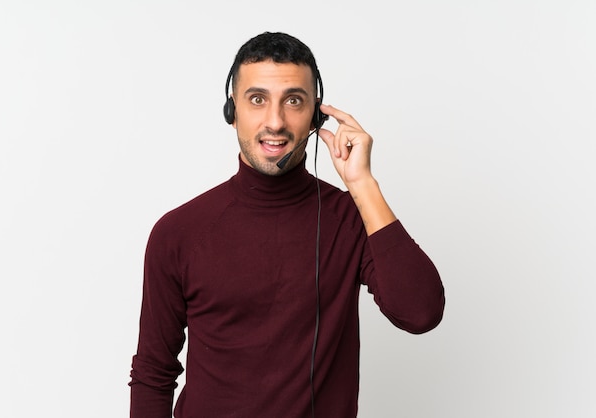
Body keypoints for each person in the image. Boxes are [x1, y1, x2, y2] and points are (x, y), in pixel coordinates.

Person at [129, 31, 445, 418]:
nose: (275, 122)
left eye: (293, 101)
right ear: (233, 112)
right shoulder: (177, 232)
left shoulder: (350, 217)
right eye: (257, 100)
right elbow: (153, 373)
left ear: (315, 115)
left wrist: (362, 184)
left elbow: (421, 312)